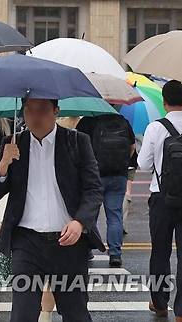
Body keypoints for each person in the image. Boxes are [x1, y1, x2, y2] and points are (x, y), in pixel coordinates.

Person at [0, 98, 105, 322]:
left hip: (68, 242)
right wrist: (3, 165)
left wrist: (80, 222)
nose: (35, 117)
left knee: (75, 312)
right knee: (22, 313)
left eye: (42, 110)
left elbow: (93, 189)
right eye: (29, 110)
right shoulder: (12, 144)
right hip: (27, 243)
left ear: (56, 111)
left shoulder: (77, 142)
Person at [138, 80, 182, 321]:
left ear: (164, 101)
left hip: (161, 197)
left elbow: (143, 164)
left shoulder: (155, 128)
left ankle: (160, 303)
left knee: (159, 251)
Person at [76, 113, 135, 268]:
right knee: (115, 215)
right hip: (118, 175)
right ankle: (115, 253)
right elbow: (132, 146)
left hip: (94, 175)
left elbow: (78, 147)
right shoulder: (122, 120)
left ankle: (87, 249)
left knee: (89, 214)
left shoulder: (87, 121)